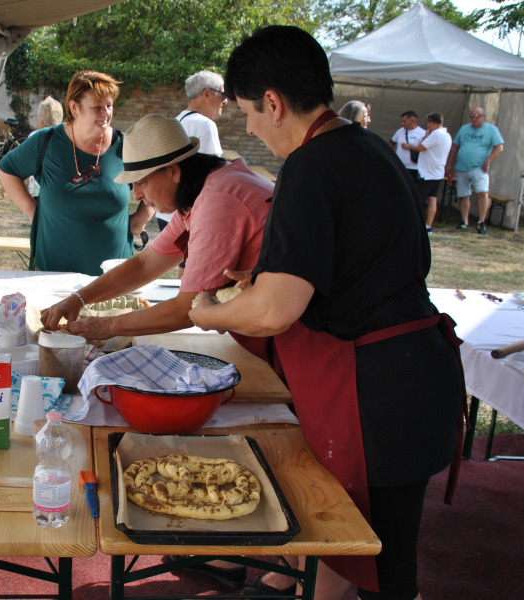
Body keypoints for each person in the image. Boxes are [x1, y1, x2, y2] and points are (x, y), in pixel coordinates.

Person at [189, 26, 464, 600]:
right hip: (418, 374)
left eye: (248, 113)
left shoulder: (310, 164)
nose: (251, 129)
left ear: (273, 102)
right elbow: (369, 262)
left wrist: (211, 311)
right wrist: (264, 279)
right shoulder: (372, 147)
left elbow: (274, 312)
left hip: (379, 394)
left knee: (381, 567)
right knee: (353, 546)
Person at [40, 113, 273, 348]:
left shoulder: (217, 200)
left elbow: (186, 309)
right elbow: (144, 265)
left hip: (291, 336)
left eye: (141, 182)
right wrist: (77, 299)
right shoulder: (202, 191)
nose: (137, 195)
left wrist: (106, 326)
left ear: (173, 171)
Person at [0, 70, 152, 276]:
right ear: (74, 108)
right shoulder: (46, 142)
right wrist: (32, 211)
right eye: (97, 107)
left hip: (113, 280)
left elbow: (155, 180)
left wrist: (141, 219)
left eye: (109, 105)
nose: (105, 112)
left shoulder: (125, 146)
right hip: (53, 277)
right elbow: (7, 169)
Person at [154, 70, 227, 275]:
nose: (225, 101)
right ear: (207, 94)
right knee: (195, 274)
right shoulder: (205, 125)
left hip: (167, 215)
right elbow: (216, 178)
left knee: (183, 269)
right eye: (223, 94)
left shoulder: (176, 122)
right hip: (190, 216)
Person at [446, 106, 504, 234]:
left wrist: (488, 160)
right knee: (463, 195)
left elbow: (499, 148)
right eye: (471, 116)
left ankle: (481, 221)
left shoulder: (491, 130)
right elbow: (455, 147)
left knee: (482, 193)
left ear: (483, 117)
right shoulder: (464, 129)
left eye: (476, 116)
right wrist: (449, 163)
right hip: (462, 167)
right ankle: (464, 222)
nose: (473, 119)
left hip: (479, 167)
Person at [403, 112, 452, 233]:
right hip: (437, 172)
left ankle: (414, 222)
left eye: (429, 123)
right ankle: (428, 225)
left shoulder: (435, 135)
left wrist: (423, 137)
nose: (428, 126)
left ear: (432, 123)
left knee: (417, 198)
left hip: (428, 173)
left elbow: (421, 147)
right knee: (432, 199)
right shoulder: (447, 135)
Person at [390, 110, 426, 182]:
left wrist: (409, 147)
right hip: (400, 166)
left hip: (414, 168)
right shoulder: (400, 131)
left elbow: (423, 149)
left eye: (404, 121)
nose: (402, 124)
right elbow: (392, 142)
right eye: (402, 121)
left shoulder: (422, 133)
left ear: (412, 120)